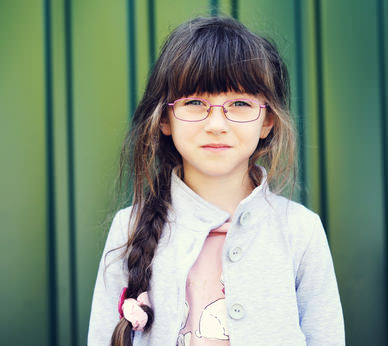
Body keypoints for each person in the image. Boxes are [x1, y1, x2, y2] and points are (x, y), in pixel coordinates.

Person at [87, 15, 345, 346]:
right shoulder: (129, 227)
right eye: (195, 103)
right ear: (165, 118)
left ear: (266, 121)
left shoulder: (300, 230)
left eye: (239, 103)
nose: (217, 124)